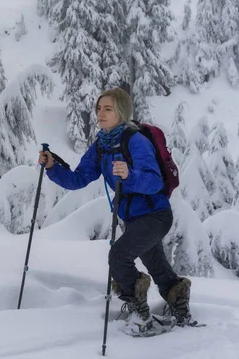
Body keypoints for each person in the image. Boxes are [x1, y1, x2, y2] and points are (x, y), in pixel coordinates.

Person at [38, 87, 193, 332]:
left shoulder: (136, 141)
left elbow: (154, 182)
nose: (100, 113)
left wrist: (130, 175)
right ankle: (181, 310)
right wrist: (52, 167)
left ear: (121, 111)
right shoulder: (102, 145)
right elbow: (79, 178)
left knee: (119, 257)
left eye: (107, 109)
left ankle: (141, 316)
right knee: (156, 265)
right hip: (132, 219)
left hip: (155, 215)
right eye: (99, 108)